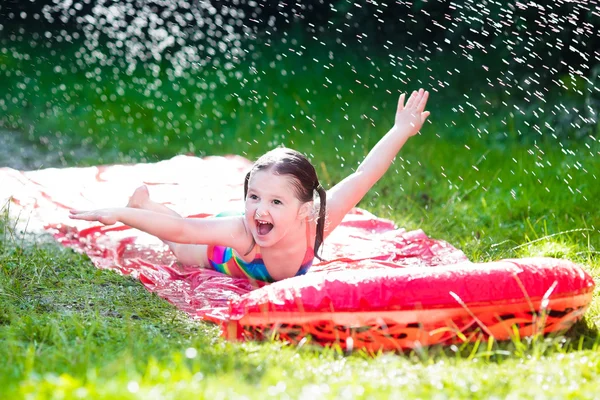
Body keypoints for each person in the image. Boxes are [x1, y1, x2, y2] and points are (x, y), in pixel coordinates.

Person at [70, 89, 430, 282]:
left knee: (184, 236)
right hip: (229, 255)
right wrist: (120, 215)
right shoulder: (244, 230)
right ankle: (142, 206)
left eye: (276, 201)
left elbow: (364, 174)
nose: (260, 207)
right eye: (254, 195)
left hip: (260, 232)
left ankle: (144, 203)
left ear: (305, 209)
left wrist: (400, 130)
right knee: (180, 248)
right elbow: (181, 228)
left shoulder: (320, 219)